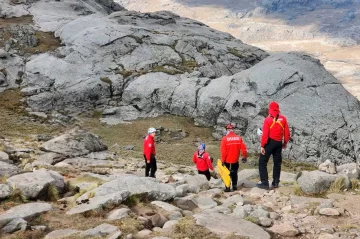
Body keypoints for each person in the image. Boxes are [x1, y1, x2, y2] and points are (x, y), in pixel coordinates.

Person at [257, 101, 290, 189]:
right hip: (279, 143)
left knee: (262, 162)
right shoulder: (283, 119)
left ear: (270, 109)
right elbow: (287, 133)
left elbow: (265, 135)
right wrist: (285, 143)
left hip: (269, 143)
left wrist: (262, 146)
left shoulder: (267, 120)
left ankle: (264, 183)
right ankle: (275, 182)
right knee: (277, 163)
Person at [221, 123, 247, 192]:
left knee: (226, 173)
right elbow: (244, 148)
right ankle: (235, 186)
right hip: (235, 159)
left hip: (227, 160)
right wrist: (244, 156)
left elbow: (224, 152)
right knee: (234, 172)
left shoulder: (224, 139)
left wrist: (223, 160)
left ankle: (227, 187)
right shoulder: (238, 138)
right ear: (233, 130)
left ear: (227, 130)